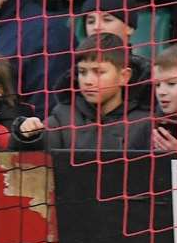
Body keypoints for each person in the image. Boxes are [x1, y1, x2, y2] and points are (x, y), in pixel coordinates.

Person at [15, 33, 151, 156]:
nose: (88, 81)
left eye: (98, 72)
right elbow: (31, 161)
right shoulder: (61, 119)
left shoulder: (144, 123)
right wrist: (26, 136)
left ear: (124, 76)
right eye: (82, 72)